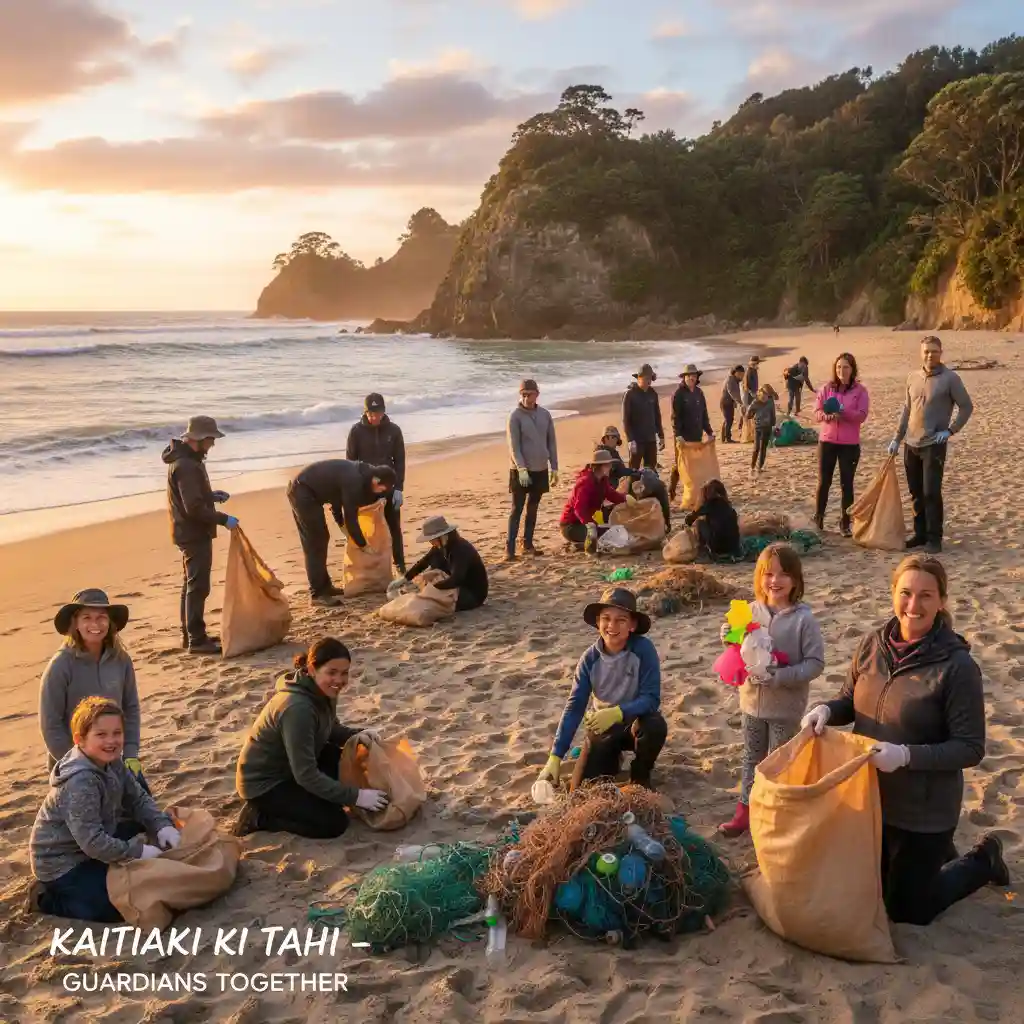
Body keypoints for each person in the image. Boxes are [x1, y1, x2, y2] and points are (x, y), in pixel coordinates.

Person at [801, 555, 1009, 924]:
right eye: (906, 593)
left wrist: (906, 755)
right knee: (864, 891)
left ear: (942, 601)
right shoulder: (871, 645)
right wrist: (826, 711)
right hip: (871, 799)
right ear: (893, 594)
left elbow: (971, 747)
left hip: (923, 811)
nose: (914, 605)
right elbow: (850, 700)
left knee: (907, 911)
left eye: (926, 595)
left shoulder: (957, 668)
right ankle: (937, 852)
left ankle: (983, 860)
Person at [30, 696, 179, 922]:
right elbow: (92, 842)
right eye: (101, 735)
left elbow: (137, 798)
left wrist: (162, 826)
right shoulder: (80, 782)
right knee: (114, 908)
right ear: (80, 739)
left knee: (149, 825)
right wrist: (136, 852)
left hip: (99, 835)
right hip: (63, 863)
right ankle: (44, 898)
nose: (111, 741)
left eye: (117, 733)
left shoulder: (112, 761)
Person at [234, 637, 389, 839]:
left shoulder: (323, 690)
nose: (339, 681)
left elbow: (329, 729)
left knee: (350, 771)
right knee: (333, 823)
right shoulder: (298, 708)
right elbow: (305, 775)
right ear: (312, 669)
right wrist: (356, 796)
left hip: (296, 762)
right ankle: (259, 817)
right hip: (267, 783)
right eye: (331, 672)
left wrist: (360, 734)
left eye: (344, 673)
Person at [719, 543, 824, 837]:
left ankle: (778, 816)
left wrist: (780, 677)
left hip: (785, 708)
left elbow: (815, 664)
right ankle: (745, 812)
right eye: (768, 574)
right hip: (751, 703)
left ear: (796, 581)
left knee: (779, 763)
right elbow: (737, 647)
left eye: (783, 574)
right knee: (752, 758)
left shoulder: (804, 620)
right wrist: (727, 636)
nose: (774, 581)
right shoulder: (750, 611)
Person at [536, 588, 666, 791]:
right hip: (603, 729)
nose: (612, 626)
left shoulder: (643, 650)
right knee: (581, 789)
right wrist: (555, 757)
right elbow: (575, 706)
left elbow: (651, 698)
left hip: (635, 724)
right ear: (598, 622)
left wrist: (617, 712)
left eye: (621, 620)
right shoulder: (589, 659)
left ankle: (640, 775)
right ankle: (611, 759)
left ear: (632, 625)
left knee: (654, 725)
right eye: (606, 618)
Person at [40, 591, 144, 786]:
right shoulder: (60, 665)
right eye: (86, 618)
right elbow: (50, 724)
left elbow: (131, 708)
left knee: (144, 808)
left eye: (101, 618)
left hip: (113, 759)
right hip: (72, 766)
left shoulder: (121, 660)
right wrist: (78, 764)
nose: (95, 624)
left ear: (110, 623)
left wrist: (130, 753)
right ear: (75, 624)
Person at [887, 336, 974, 554]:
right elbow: (907, 410)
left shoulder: (950, 379)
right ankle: (920, 534)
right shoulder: (912, 377)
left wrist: (951, 431)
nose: (929, 355)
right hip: (911, 443)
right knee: (916, 492)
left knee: (931, 493)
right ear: (921, 352)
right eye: (926, 351)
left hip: (933, 444)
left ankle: (934, 538)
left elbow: (966, 407)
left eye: (934, 351)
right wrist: (897, 439)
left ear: (941, 353)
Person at [162, 416, 237, 655]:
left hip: (187, 530)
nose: (213, 444)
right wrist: (224, 519)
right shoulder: (185, 465)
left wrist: (211, 496)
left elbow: (192, 498)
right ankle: (196, 639)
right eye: (211, 439)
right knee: (198, 586)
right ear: (199, 439)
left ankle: (191, 635)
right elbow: (192, 509)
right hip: (192, 533)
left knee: (191, 584)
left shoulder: (188, 460)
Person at [286, 460, 397, 607]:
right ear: (376, 481)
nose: (381, 492)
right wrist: (363, 545)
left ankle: (325, 586)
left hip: (309, 491)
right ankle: (317, 594)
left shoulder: (363, 474)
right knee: (315, 542)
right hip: (302, 491)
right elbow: (351, 518)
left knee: (322, 538)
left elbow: (337, 503)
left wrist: (341, 525)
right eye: (382, 489)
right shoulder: (355, 481)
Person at [346, 393, 407, 575]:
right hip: (366, 490)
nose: (374, 418)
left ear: (384, 411)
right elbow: (350, 463)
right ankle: (370, 567)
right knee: (368, 529)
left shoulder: (394, 431)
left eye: (378, 413)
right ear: (365, 412)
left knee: (394, 527)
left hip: (389, 487)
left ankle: (400, 565)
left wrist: (399, 488)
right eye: (371, 414)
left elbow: (400, 461)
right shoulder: (356, 432)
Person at [814, 353, 870, 537]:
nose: (841, 371)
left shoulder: (860, 391)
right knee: (824, 482)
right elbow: (817, 412)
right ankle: (819, 518)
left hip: (849, 444)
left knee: (847, 484)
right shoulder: (827, 388)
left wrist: (842, 411)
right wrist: (827, 416)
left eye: (845, 367)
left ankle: (845, 523)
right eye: (838, 367)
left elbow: (861, 415)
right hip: (827, 441)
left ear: (852, 369)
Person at [387, 515, 488, 611]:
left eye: (433, 539)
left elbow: (456, 579)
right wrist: (405, 579)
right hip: (457, 586)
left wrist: (432, 589)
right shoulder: (442, 546)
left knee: (431, 603)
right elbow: (424, 562)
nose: (431, 543)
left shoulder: (460, 549)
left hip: (472, 594)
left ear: (442, 536)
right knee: (434, 565)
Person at [506, 378, 559, 561]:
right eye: (524, 394)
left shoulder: (545, 414)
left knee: (533, 508)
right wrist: (521, 469)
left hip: (540, 469)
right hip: (521, 471)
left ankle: (528, 543)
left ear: (537, 394)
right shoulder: (515, 416)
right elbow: (514, 447)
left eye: (530, 394)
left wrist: (555, 468)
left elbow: (551, 441)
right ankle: (510, 549)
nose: (527, 397)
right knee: (517, 509)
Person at [559, 449, 634, 553]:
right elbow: (579, 508)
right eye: (608, 465)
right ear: (600, 466)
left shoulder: (602, 480)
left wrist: (625, 498)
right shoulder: (584, 483)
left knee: (609, 532)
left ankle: (582, 542)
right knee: (597, 536)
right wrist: (589, 524)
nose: (610, 468)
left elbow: (611, 494)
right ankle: (581, 545)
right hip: (571, 525)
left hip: (586, 522)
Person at [669, 363, 715, 501]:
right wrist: (678, 435)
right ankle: (671, 489)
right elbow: (674, 417)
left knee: (695, 465)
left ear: (697, 377)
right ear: (684, 377)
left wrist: (709, 431)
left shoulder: (699, 393)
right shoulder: (678, 394)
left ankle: (694, 493)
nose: (691, 378)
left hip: (696, 434)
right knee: (680, 465)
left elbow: (704, 414)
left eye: (693, 376)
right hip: (683, 436)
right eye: (688, 376)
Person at [622, 364, 665, 471]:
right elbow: (625, 419)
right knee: (633, 471)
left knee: (651, 470)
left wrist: (661, 436)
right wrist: (630, 440)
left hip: (650, 438)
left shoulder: (652, 393)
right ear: (639, 378)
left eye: (650, 378)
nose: (648, 381)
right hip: (636, 440)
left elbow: (657, 416)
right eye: (646, 378)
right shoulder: (630, 394)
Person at [683, 479, 740, 559]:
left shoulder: (708, 505)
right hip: (733, 548)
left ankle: (702, 552)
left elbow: (688, 520)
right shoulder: (729, 507)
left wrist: (698, 506)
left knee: (699, 523)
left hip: (718, 547)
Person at [745, 384, 777, 478]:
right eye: (763, 396)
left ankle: (760, 467)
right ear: (759, 394)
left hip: (767, 427)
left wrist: (774, 425)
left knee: (763, 448)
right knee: (756, 448)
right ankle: (752, 466)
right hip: (758, 427)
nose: (765, 398)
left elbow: (773, 413)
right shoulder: (755, 402)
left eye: (767, 396)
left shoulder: (770, 401)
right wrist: (749, 414)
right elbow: (748, 414)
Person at [721, 365, 744, 443]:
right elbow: (732, 393)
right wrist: (740, 402)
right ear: (735, 373)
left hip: (728, 402)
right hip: (726, 403)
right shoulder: (731, 380)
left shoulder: (734, 379)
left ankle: (724, 438)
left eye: (743, 374)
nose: (742, 376)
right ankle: (727, 438)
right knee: (729, 420)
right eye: (740, 374)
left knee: (728, 420)